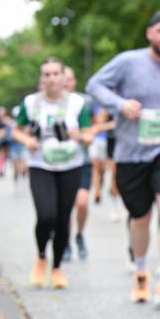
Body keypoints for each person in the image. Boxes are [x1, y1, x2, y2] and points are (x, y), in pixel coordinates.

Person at [87, 9, 160, 308]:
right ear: (150, 33)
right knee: (140, 217)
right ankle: (141, 272)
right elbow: (94, 85)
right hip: (130, 154)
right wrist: (120, 104)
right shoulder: (128, 62)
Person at [12, 57, 93, 289]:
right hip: (41, 165)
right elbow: (16, 131)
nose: (51, 78)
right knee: (46, 215)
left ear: (64, 77)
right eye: (46, 75)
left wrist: (80, 136)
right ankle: (40, 257)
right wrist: (27, 140)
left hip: (70, 166)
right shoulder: (31, 103)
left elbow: (89, 135)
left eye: (55, 74)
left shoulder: (77, 104)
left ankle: (56, 267)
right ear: (42, 78)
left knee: (62, 219)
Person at [62, 66, 95, 261]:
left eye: (70, 79)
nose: (66, 83)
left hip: (81, 160)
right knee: (65, 206)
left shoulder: (84, 102)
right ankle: (64, 241)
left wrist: (81, 137)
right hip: (59, 163)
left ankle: (80, 234)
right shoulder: (48, 103)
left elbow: (91, 132)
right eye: (63, 79)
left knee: (81, 202)